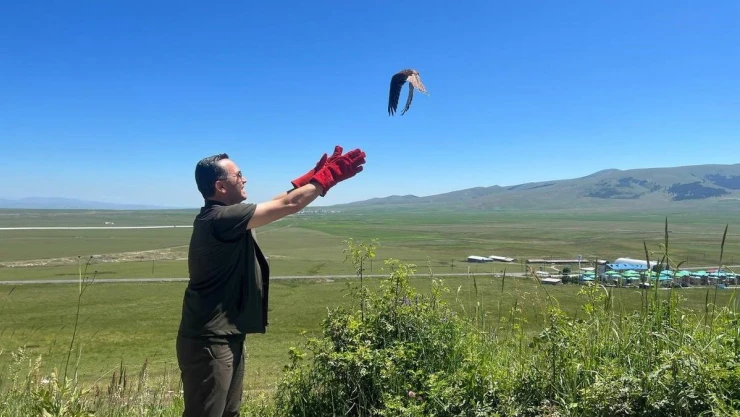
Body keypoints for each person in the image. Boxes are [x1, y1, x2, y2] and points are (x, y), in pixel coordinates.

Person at [175, 145, 366, 417]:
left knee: (229, 412)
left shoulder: (228, 215)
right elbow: (289, 205)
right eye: (238, 175)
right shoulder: (220, 218)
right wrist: (327, 177)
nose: (245, 179)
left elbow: (279, 202)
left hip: (225, 335)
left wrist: (310, 179)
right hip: (209, 340)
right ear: (220, 186)